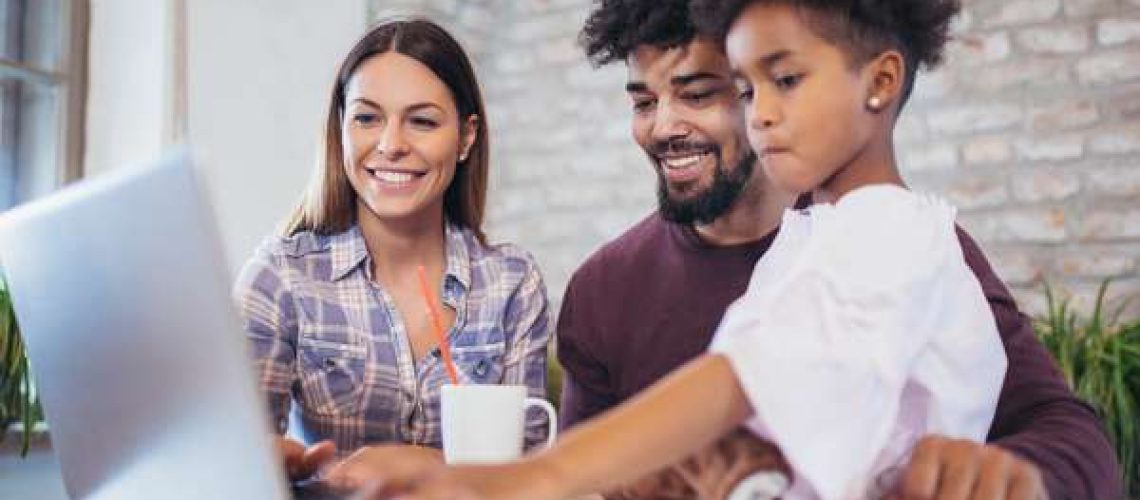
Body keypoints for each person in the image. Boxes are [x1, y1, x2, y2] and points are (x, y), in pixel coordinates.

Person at [322, 1, 1121, 499]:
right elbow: (743, 446)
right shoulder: (616, 288)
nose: (664, 124)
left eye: (706, 93)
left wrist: (1022, 477)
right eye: (643, 99)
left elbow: (743, 380)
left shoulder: (903, 236)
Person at [232, 17, 553, 482]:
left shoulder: (512, 283)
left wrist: (426, 465)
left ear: (466, 137)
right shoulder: (281, 277)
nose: (391, 145)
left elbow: (534, 472)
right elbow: (233, 463)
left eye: (421, 122)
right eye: (367, 118)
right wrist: (270, 460)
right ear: (341, 128)